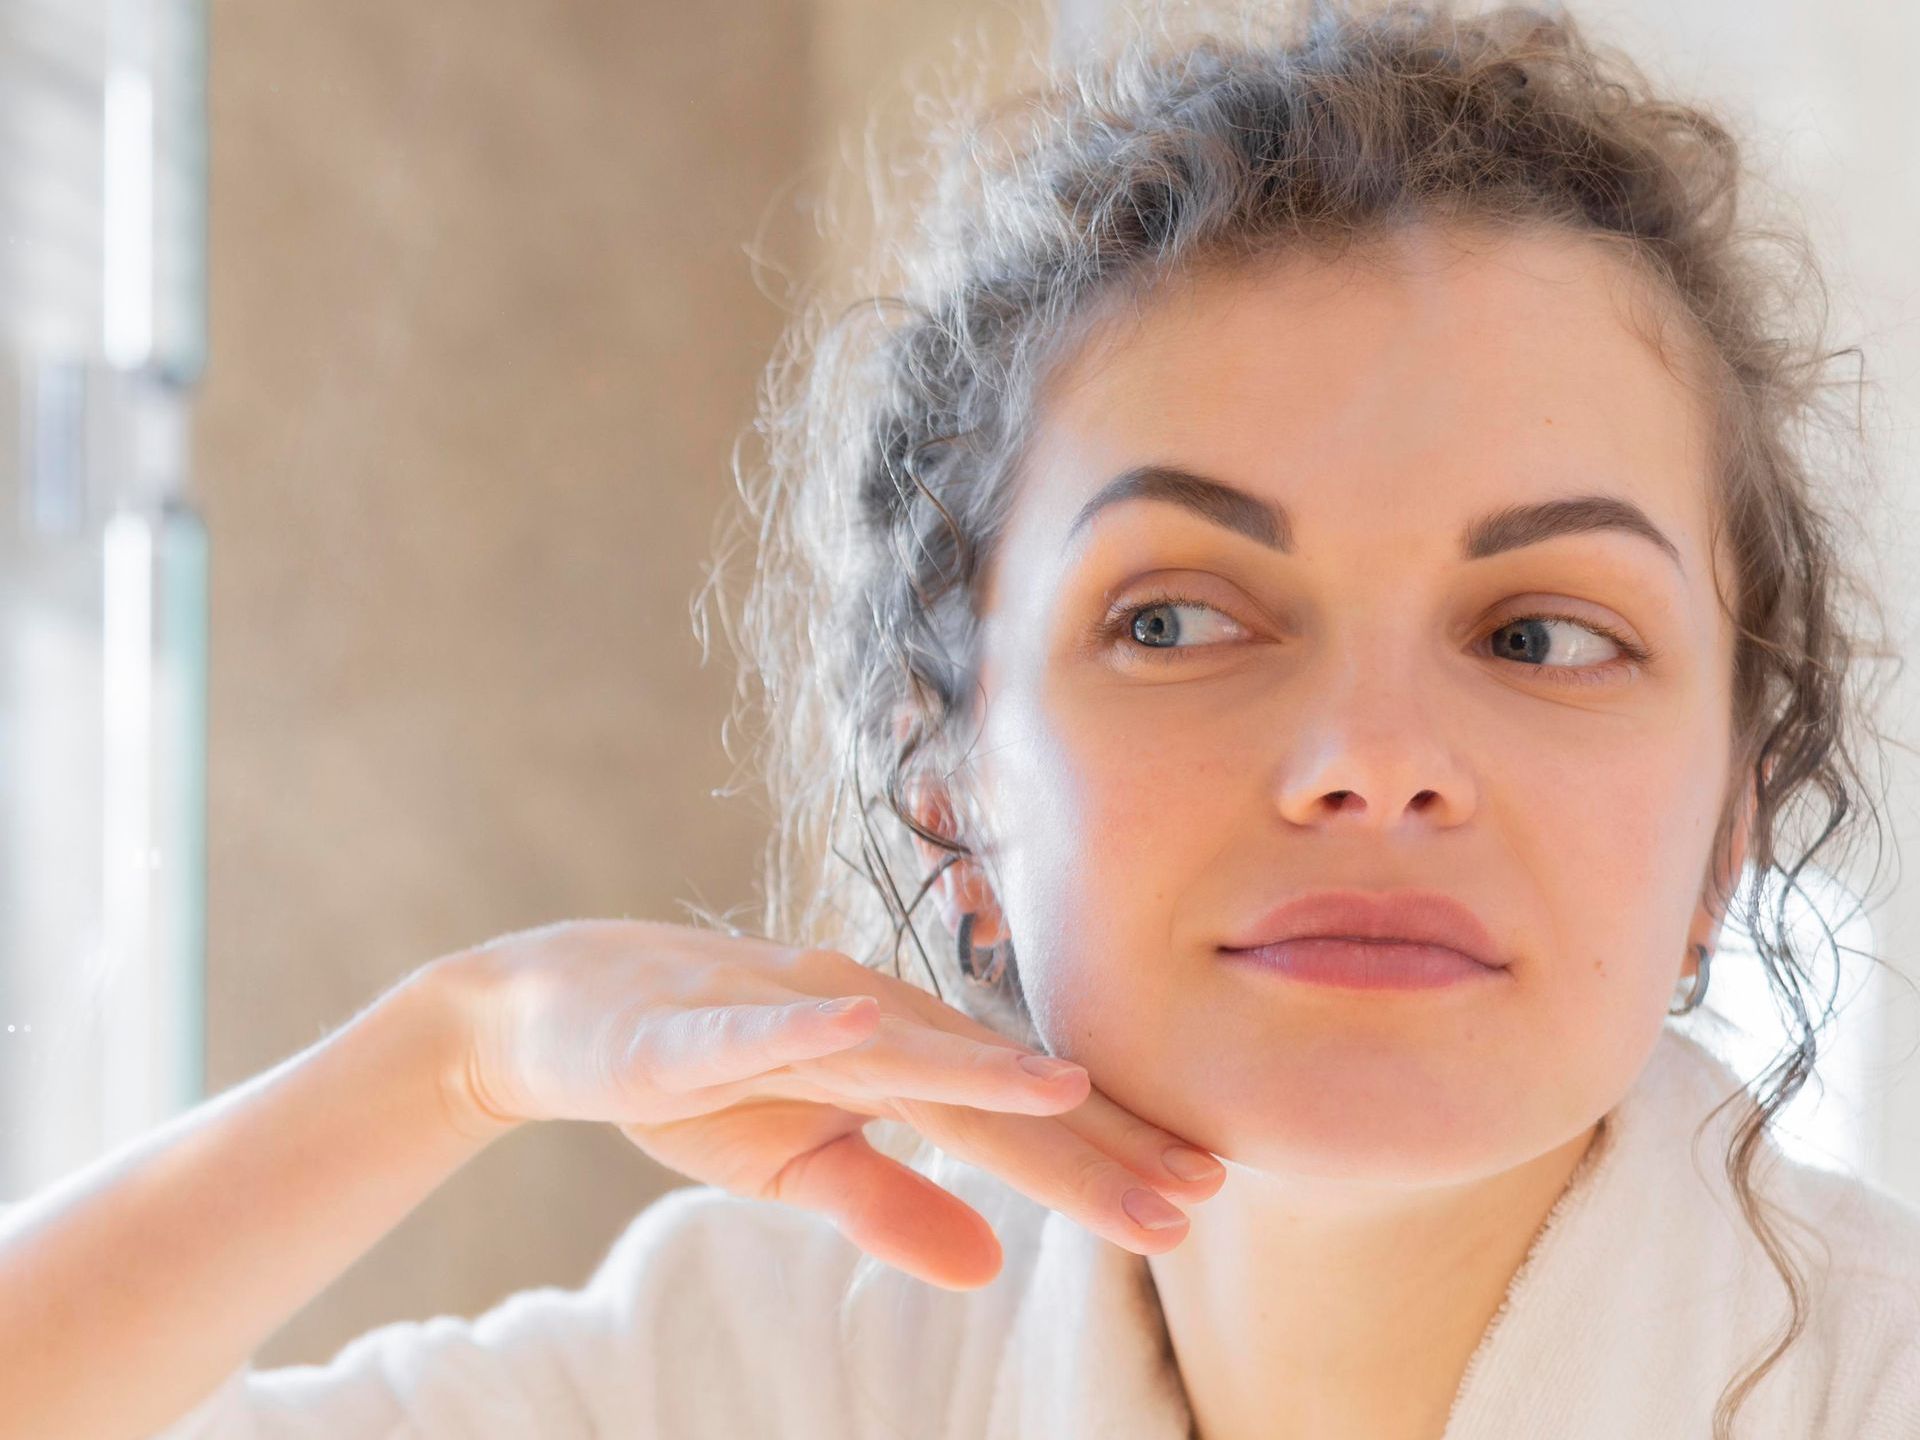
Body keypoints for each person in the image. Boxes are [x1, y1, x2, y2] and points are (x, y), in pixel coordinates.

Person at [4, 3, 1917, 1437]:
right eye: (1176, 616)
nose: (1372, 751)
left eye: (1544, 634)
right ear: (951, 792)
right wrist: (450, 1053)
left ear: (1730, 824)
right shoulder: (798, 1364)